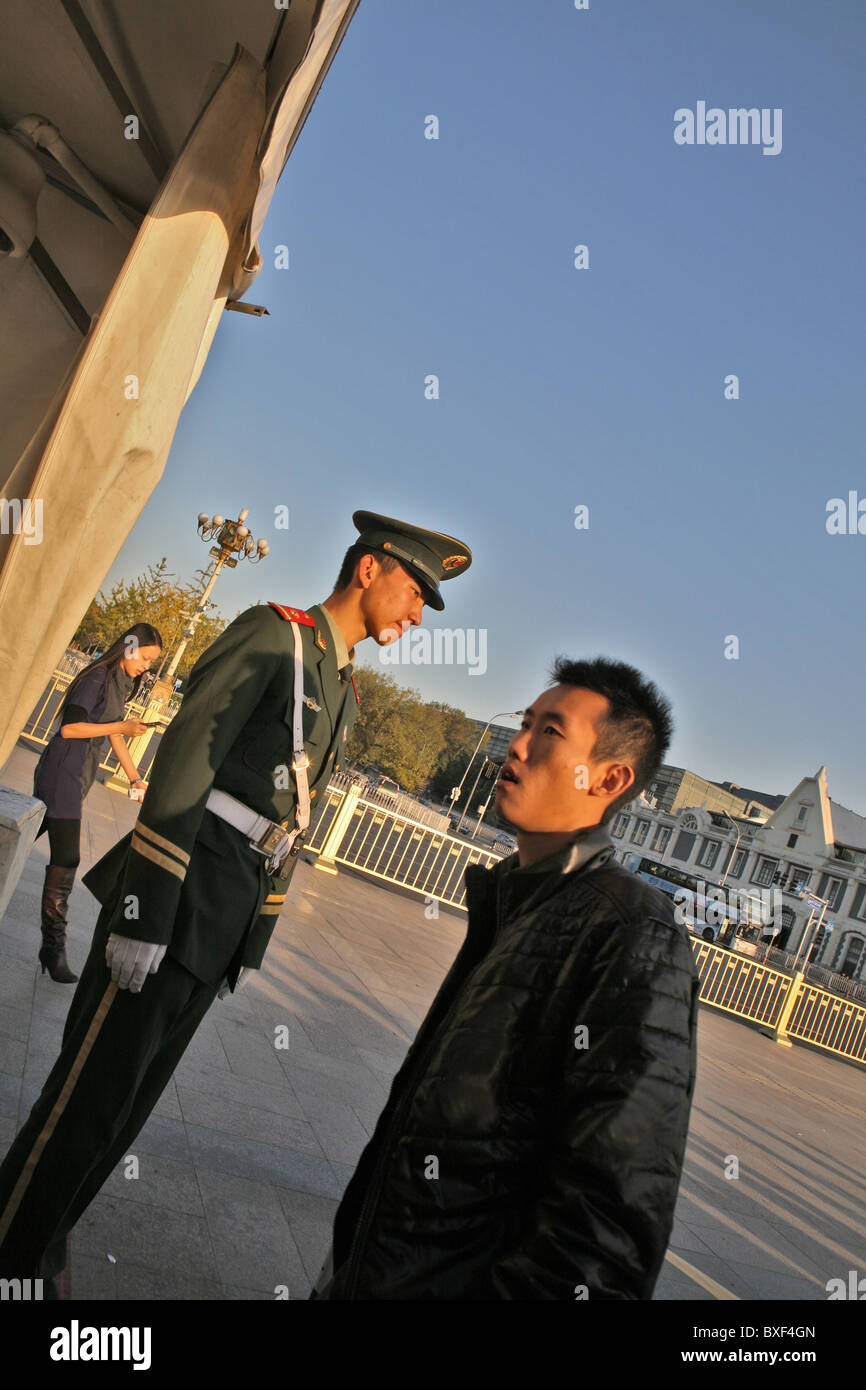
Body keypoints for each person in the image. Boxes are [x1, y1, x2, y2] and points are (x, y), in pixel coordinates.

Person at [0, 511, 472, 1287]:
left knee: (123, 1114)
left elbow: (295, 821)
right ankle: (12, 1253)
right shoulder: (274, 637)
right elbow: (190, 757)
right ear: (370, 569)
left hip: (218, 922)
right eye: (416, 589)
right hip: (173, 903)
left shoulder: (341, 685)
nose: (418, 610)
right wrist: (142, 911)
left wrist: (252, 941)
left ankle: (46, 1241)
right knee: (83, 1103)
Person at [315, 656, 700, 1300]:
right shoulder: (515, 896)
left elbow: (610, 1213)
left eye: (549, 732)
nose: (517, 745)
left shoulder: (632, 930)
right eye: (524, 723)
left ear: (610, 779)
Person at [32, 624, 163, 982]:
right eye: (146, 658)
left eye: (152, 662)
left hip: (76, 777)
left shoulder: (121, 682)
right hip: (62, 772)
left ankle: (50, 950)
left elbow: (114, 729)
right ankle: (52, 950)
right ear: (129, 647)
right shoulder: (97, 678)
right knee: (67, 859)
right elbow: (70, 729)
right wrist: (120, 728)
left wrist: (136, 777)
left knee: (22, 833)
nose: (147, 667)